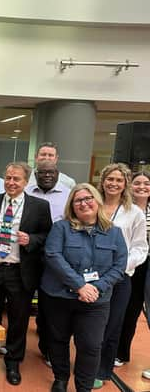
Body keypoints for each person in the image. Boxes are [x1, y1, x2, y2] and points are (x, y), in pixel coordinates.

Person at [40, 183, 127, 392]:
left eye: (88, 198)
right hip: (59, 296)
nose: (84, 203)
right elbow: (53, 255)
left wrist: (96, 288)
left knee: (90, 346)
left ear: (97, 201)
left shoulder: (114, 232)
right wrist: (80, 285)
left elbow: (119, 265)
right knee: (58, 340)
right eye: (78, 200)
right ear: (72, 205)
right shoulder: (61, 227)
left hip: (96, 301)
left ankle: (84, 387)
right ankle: (60, 378)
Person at [0, 162, 52, 385]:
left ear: (26, 182)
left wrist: (32, 240)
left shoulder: (39, 206)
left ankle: (13, 362)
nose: (11, 182)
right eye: (8, 178)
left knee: (18, 319)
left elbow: (47, 235)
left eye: (16, 179)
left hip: (20, 271)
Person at [94, 163, 148, 388]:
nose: (113, 183)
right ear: (103, 181)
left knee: (113, 324)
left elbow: (140, 247)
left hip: (120, 277)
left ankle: (102, 370)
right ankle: (86, 364)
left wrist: (119, 266)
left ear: (125, 184)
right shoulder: (92, 205)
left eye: (119, 180)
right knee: (91, 325)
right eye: (110, 179)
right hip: (92, 276)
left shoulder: (133, 212)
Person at [25, 159, 71, 364]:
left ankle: (47, 347)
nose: (46, 176)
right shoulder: (27, 191)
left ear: (57, 173)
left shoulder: (67, 194)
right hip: (28, 254)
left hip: (55, 256)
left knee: (49, 304)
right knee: (24, 299)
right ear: (36, 174)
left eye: (50, 172)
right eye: (42, 172)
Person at [117, 171, 150, 368]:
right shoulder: (123, 209)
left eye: (146, 183)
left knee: (136, 309)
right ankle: (119, 352)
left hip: (147, 264)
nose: (142, 187)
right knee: (126, 308)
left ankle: (122, 352)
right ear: (130, 186)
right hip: (129, 263)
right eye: (137, 183)